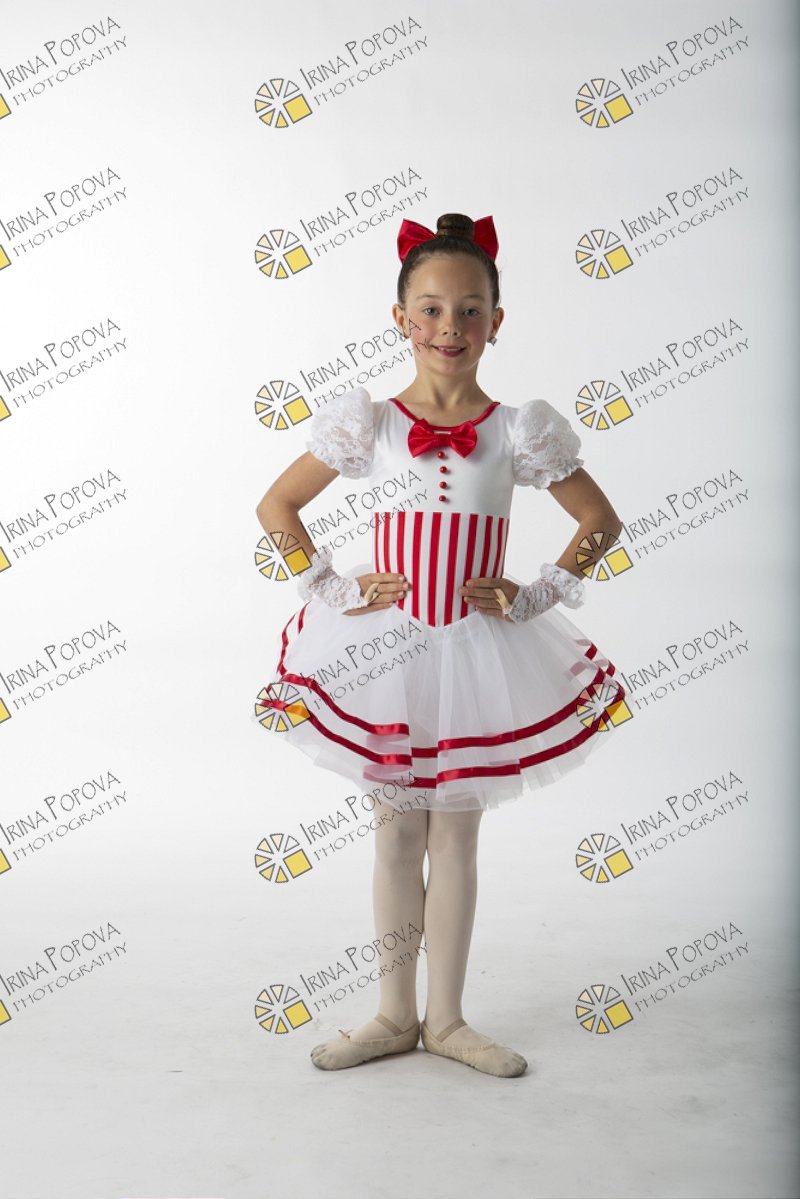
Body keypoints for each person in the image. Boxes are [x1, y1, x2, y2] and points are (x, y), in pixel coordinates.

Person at [254, 212, 627, 1077]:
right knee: (395, 835)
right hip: (385, 654)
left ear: (496, 320)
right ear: (400, 318)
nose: (449, 328)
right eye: (429, 310)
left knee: (455, 838)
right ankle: (393, 1013)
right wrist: (331, 586)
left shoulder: (518, 429)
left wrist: (536, 594)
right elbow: (278, 506)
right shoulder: (371, 422)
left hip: (475, 655)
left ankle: (449, 1019)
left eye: (469, 310)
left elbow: (599, 521)